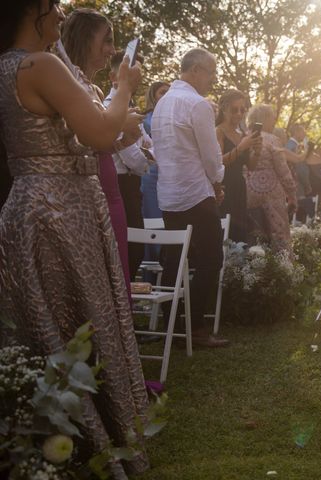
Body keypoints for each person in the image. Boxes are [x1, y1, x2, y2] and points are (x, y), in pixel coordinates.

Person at [0, 2, 148, 477]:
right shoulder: (40, 64)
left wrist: (117, 126)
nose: (62, 14)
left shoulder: (10, 65)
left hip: (34, 205)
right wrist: (124, 86)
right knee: (80, 324)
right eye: (55, 6)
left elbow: (84, 137)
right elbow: (101, 131)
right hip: (59, 212)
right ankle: (91, 438)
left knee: (49, 324)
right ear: (33, 9)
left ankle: (47, 439)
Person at [61, 8, 145, 296]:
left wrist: (124, 138)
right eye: (106, 41)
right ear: (85, 39)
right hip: (87, 195)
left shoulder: (94, 90)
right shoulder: (66, 84)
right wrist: (122, 112)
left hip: (111, 192)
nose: (112, 49)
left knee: (117, 269)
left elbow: (104, 145)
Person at [152, 48, 229, 348]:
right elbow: (211, 156)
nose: (212, 79)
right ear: (196, 69)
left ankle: (172, 324)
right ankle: (195, 328)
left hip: (168, 194)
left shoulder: (162, 103)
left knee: (175, 260)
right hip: (196, 192)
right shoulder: (197, 104)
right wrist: (218, 181)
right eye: (210, 72)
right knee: (211, 259)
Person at [105, 51, 153, 280]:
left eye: (139, 74)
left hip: (133, 189)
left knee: (135, 251)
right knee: (127, 251)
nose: (137, 79)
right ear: (114, 77)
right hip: (118, 186)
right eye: (132, 74)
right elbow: (137, 160)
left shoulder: (132, 110)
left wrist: (138, 149)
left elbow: (152, 150)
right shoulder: (108, 108)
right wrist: (137, 149)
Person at [244, 104, 297, 250]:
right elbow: (283, 172)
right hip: (272, 194)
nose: (274, 122)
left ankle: (255, 264)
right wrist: (292, 195)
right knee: (279, 233)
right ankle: (282, 267)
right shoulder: (273, 140)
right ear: (265, 118)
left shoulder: (243, 137)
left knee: (254, 233)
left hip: (247, 193)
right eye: (272, 118)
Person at [215, 88, 261, 242]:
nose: (239, 114)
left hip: (239, 188)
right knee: (223, 232)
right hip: (222, 188)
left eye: (243, 110)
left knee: (238, 233)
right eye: (235, 109)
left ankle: (236, 264)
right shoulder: (218, 132)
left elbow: (251, 166)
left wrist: (257, 151)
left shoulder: (242, 135)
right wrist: (241, 147)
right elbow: (219, 162)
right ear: (224, 108)